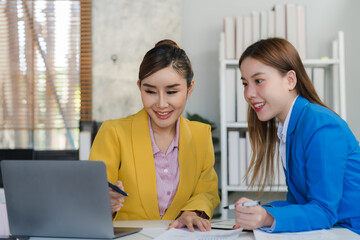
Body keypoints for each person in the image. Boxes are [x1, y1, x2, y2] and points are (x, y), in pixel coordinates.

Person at [89, 39, 220, 232]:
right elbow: (92, 195)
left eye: (172, 91)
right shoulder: (114, 133)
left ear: (190, 88)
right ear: (139, 87)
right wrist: (102, 202)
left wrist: (192, 212)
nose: (161, 103)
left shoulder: (201, 135)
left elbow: (206, 191)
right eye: (150, 91)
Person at [233, 38, 360, 234]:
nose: (249, 93)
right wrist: (259, 212)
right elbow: (299, 203)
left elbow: (324, 211)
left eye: (258, 81)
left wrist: (267, 218)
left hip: (350, 231)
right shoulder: (291, 127)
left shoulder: (321, 125)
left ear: (290, 80)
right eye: (245, 83)